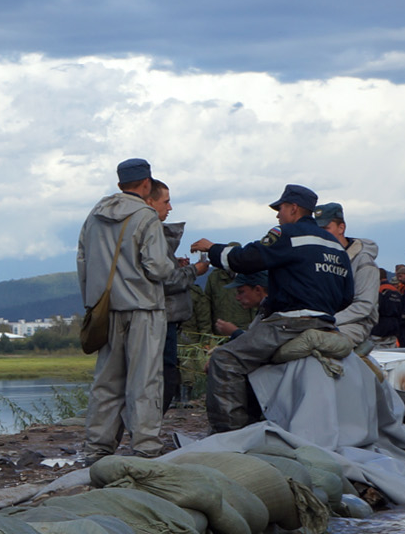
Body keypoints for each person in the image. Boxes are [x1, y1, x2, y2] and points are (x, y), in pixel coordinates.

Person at [190, 184, 353, 433]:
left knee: (225, 359)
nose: (278, 215)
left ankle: (229, 436)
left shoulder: (287, 234)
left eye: (280, 209)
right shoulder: (335, 245)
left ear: (294, 208)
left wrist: (212, 249)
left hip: (289, 324)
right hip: (326, 323)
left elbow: (247, 259)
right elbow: (346, 296)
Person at [77, 158, 176, 460]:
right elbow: (158, 267)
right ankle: (145, 447)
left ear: (120, 183)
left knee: (106, 382)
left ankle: (97, 449)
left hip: (106, 310)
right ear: (146, 184)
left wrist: (92, 303)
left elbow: (83, 260)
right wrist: (174, 268)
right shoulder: (145, 216)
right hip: (143, 309)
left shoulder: (95, 214)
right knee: (144, 380)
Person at [148, 180, 206, 407]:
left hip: (165, 319)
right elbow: (164, 281)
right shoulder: (152, 236)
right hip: (162, 319)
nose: (170, 208)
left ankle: (147, 428)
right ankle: (148, 430)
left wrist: (177, 265)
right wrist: (195, 271)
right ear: (150, 201)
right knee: (166, 374)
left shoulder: (149, 234)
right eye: (166, 201)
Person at [312, 203, 380, 348]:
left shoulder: (363, 261)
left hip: (356, 323)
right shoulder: (320, 258)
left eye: (325, 229)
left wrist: (328, 320)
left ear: (341, 228)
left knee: (320, 344)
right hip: (324, 321)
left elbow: (364, 305)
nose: (321, 234)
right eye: (317, 230)